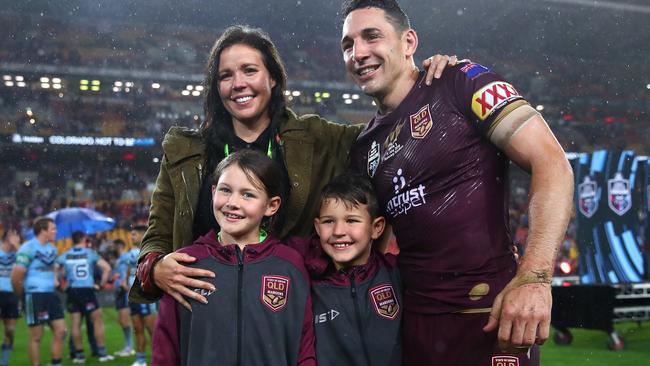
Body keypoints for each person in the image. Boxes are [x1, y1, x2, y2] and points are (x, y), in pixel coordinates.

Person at [128, 25, 457, 309]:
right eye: (225, 75)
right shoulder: (185, 151)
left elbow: (387, 134)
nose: (238, 83)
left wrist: (425, 84)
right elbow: (157, 233)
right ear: (216, 87)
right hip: (205, 315)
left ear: (272, 78)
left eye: (249, 70)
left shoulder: (318, 138)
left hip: (291, 316)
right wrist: (154, 269)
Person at [341, 0, 574, 365]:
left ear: (409, 42)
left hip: (490, 318)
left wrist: (535, 277)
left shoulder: (462, 81)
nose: (359, 53)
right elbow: (377, 246)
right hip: (413, 329)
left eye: (372, 36)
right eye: (348, 44)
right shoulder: (363, 148)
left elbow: (553, 164)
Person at [153, 150, 316, 365]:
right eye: (225, 190)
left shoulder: (290, 264)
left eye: (248, 194)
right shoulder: (183, 263)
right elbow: (165, 349)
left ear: (271, 205)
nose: (232, 202)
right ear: (213, 192)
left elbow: (304, 347)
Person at [288, 173, 401, 366]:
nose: (339, 231)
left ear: (377, 227)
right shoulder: (306, 284)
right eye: (328, 221)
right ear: (317, 227)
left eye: (352, 221)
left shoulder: (396, 273)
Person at [11, 217, 67, 366]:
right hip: (34, 295)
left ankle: (55, 363)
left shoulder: (52, 249)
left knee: (61, 331)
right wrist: (21, 295)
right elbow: (17, 275)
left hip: (51, 295)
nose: (56, 232)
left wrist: (56, 281)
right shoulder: (28, 247)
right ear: (42, 230)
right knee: (36, 336)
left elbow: (52, 270)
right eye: (53, 229)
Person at [56, 231, 114, 363]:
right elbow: (107, 268)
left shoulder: (65, 255)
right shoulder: (90, 253)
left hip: (72, 290)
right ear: (83, 239)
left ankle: (80, 356)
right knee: (97, 322)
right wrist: (101, 284)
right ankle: (102, 354)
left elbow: (55, 269)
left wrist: (59, 284)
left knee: (75, 324)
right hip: (87, 290)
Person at [127, 225, 156, 366]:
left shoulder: (148, 252)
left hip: (145, 295)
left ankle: (159, 358)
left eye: (133, 234)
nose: (131, 237)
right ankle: (140, 359)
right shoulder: (130, 252)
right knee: (137, 328)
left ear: (141, 235)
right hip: (133, 296)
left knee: (152, 329)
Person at [0, 229, 20, 366]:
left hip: (12, 295)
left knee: (10, 331)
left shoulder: (18, 254)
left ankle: (4, 362)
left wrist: (18, 246)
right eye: (15, 236)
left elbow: (28, 261)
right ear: (7, 238)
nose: (18, 238)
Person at [112, 239, 135, 357]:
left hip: (125, 290)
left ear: (119, 246)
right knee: (122, 321)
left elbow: (130, 270)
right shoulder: (118, 259)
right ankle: (127, 346)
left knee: (126, 320)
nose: (112, 248)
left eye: (114, 245)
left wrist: (125, 283)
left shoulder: (126, 256)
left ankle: (130, 347)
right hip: (119, 291)